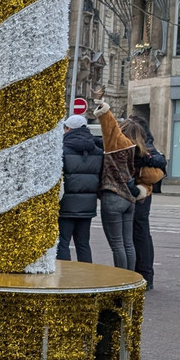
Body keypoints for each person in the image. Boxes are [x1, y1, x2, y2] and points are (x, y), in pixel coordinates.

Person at [121, 118, 166, 289]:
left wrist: (141, 158)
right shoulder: (147, 144)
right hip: (142, 196)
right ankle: (145, 275)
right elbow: (161, 161)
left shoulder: (141, 146)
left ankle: (138, 275)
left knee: (133, 235)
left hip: (137, 195)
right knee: (141, 233)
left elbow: (160, 162)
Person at [93, 100, 137, 270]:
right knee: (128, 243)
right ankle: (131, 279)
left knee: (117, 245)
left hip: (113, 195)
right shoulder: (135, 147)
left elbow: (110, 126)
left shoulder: (117, 145)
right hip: (130, 197)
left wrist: (104, 110)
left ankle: (122, 281)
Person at [57, 114, 102, 263]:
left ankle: (64, 275)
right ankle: (86, 276)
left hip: (66, 204)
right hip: (87, 205)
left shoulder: (62, 149)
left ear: (68, 128)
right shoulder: (97, 150)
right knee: (83, 244)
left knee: (63, 242)